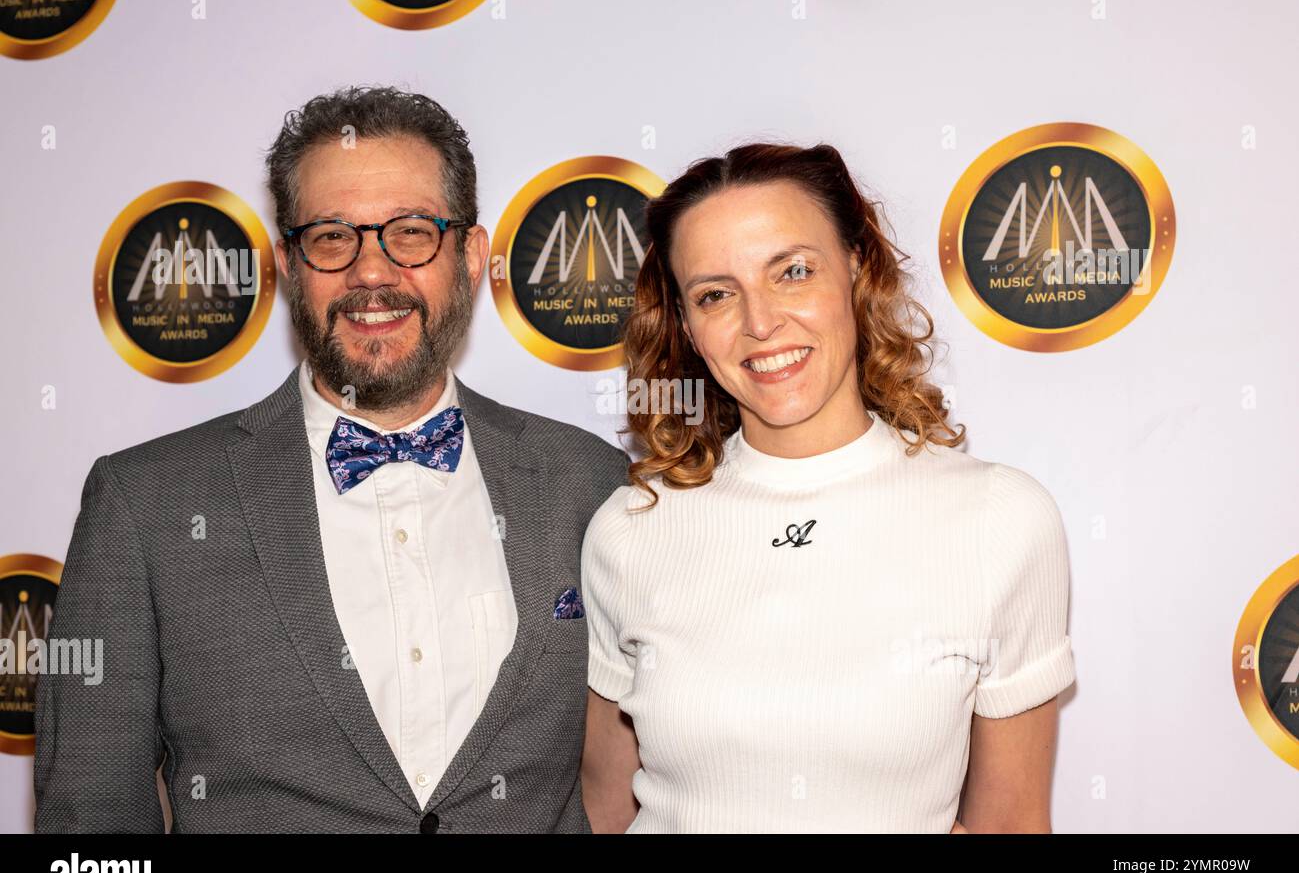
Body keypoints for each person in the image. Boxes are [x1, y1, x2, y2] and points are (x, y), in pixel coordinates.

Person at [34, 86, 627, 833]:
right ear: (287, 264)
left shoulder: (590, 484)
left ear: (472, 257)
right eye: (332, 237)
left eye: (411, 232)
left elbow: (622, 785)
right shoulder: (144, 504)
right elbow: (90, 827)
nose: (371, 273)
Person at [579, 142, 1076, 833]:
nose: (760, 322)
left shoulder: (999, 520)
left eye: (793, 271)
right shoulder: (631, 529)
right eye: (716, 294)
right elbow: (605, 810)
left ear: (857, 267)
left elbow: (1012, 824)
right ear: (687, 325)